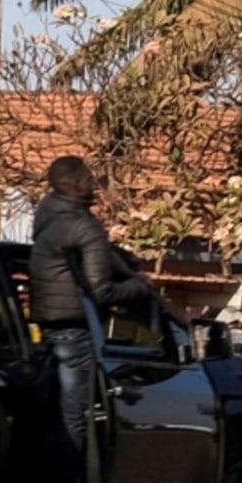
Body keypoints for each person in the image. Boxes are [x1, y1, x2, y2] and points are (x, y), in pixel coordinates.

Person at [29, 155, 156, 466]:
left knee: (51, 417)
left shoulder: (46, 219)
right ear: (76, 183)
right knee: (74, 417)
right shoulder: (84, 227)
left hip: (45, 334)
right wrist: (141, 286)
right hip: (75, 334)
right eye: (89, 178)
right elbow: (100, 291)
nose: (95, 184)